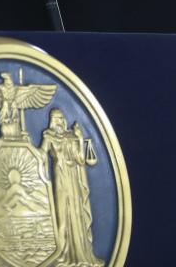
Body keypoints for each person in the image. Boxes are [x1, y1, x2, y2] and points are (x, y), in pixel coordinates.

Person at [40, 109, 102, 267]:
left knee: (76, 213)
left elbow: (81, 160)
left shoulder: (71, 137)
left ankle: (80, 254)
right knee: (63, 214)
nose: (60, 121)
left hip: (73, 179)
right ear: (52, 120)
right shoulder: (48, 136)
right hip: (60, 179)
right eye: (56, 118)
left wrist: (80, 139)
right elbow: (41, 155)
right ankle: (64, 251)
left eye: (61, 118)